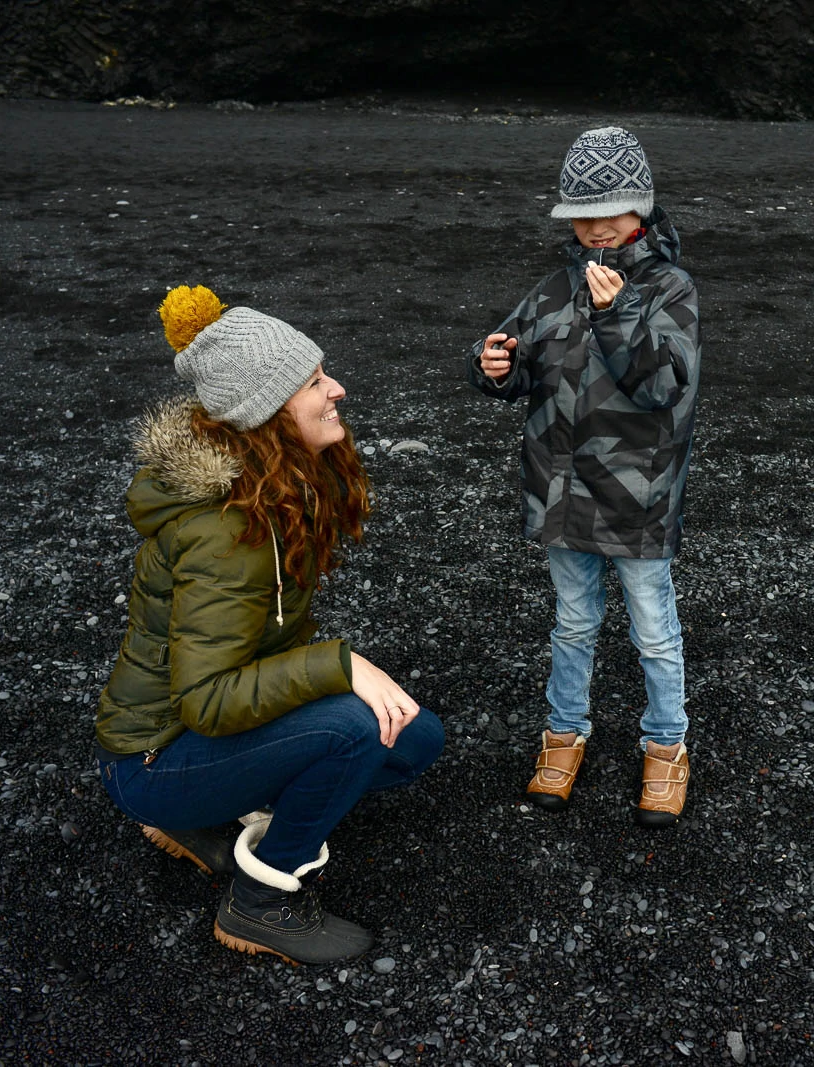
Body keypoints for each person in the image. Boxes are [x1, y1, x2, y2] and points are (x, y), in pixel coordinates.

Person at [95, 284, 444, 965]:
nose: (337, 388)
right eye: (315, 381)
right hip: (154, 756)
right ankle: (262, 904)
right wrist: (338, 666)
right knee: (353, 728)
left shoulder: (273, 490)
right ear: (266, 414)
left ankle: (199, 816)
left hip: (187, 737)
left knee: (413, 736)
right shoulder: (228, 533)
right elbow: (207, 698)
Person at [467, 126, 702, 827]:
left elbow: (665, 384)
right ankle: (563, 733)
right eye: (584, 217)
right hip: (562, 492)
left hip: (637, 497)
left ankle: (666, 745)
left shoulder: (669, 289)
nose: (599, 231)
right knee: (573, 622)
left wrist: (616, 313)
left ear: (643, 212)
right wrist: (492, 365)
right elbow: (516, 355)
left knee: (653, 629)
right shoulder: (552, 289)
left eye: (614, 215)